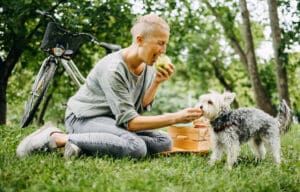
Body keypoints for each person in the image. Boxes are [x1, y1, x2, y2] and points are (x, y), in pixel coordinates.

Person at [16, 13, 203, 159]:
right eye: (160, 43)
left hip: (113, 120)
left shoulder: (148, 66)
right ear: (140, 40)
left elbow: (140, 106)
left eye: (165, 44)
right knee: (136, 147)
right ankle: (56, 137)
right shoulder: (114, 68)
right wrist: (176, 117)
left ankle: (86, 145)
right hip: (84, 119)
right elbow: (131, 122)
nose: (163, 50)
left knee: (164, 141)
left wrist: (156, 82)